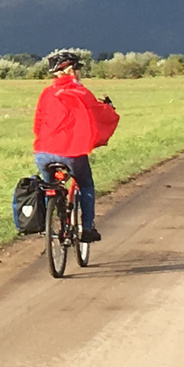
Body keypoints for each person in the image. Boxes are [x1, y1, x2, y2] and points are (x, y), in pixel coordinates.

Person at [33, 50, 119, 243]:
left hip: (43, 153)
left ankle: (52, 223)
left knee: (50, 186)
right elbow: (100, 114)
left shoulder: (47, 93)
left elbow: (38, 124)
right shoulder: (81, 92)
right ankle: (87, 228)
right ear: (73, 71)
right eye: (78, 68)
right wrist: (110, 109)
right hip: (72, 153)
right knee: (86, 185)